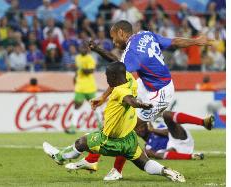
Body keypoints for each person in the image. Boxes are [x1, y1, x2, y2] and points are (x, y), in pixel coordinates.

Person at [65, 20, 214, 180]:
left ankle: (112, 168)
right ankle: (94, 161)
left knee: (128, 128)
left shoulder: (131, 53)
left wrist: (102, 97)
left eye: (114, 38)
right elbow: (174, 42)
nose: (114, 42)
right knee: (119, 116)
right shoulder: (145, 35)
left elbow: (118, 76)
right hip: (146, 83)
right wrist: (196, 41)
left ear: (121, 32)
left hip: (160, 92)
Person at [43, 62, 185, 183]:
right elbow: (119, 69)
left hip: (111, 140)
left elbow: (129, 100)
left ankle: (60, 157)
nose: (106, 79)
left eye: (107, 76)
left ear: (115, 77)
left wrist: (140, 105)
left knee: (82, 142)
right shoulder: (130, 80)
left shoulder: (119, 91)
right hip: (129, 139)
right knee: (144, 163)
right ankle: (166, 171)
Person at [65, 43, 97, 134]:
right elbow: (77, 71)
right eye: (81, 47)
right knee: (77, 105)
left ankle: (101, 126)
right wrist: (75, 77)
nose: (83, 49)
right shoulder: (77, 57)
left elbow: (90, 71)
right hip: (79, 86)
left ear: (87, 49)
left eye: (84, 48)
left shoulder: (90, 59)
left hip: (89, 87)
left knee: (94, 106)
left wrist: (80, 68)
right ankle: (73, 128)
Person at [135, 121, 204, 160]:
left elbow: (171, 132)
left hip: (181, 142)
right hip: (172, 152)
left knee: (172, 121)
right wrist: (149, 153)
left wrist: (153, 130)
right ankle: (193, 156)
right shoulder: (148, 147)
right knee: (158, 153)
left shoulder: (159, 128)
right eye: (137, 129)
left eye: (141, 127)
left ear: (147, 126)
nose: (140, 130)